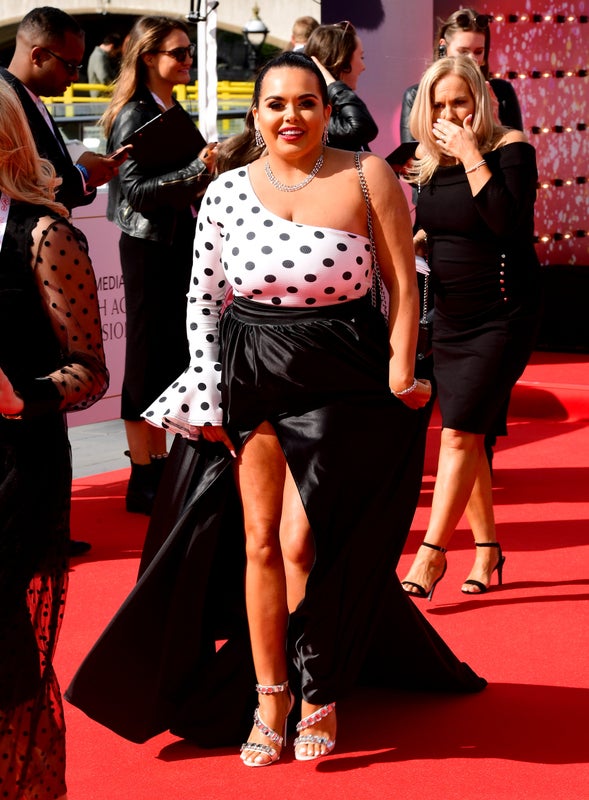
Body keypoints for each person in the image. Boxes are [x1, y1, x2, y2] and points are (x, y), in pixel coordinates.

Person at [66, 52, 485, 767]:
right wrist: (206, 380)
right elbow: (201, 297)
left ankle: (317, 686)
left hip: (339, 372)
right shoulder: (226, 190)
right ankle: (271, 697)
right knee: (257, 542)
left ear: (326, 110)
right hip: (251, 366)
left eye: (306, 103)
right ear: (254, 115)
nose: (290, 116)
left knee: (301, 542)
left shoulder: (365, 175)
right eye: (274, 104)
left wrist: (397, 367)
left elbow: (400, 284)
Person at [0, 80, 108, 800]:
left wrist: (24, 395)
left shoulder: (43, 233)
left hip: (12, 474)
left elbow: (91, 371)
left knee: (5, 667)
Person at [399, 56, 542, 600]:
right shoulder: (428, 160)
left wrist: (470, 153)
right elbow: (431, 224)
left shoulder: (511, 149)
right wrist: (416, 241)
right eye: (438, 104)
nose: (449, 113)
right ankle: (488, 551)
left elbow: (508, 222)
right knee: (468, 429)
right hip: (452, 314)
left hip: (504, 310)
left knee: (458, 433)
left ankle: (430, 554)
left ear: (480, 98)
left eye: (459, 101)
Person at [101, 15, 217, 514]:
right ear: (149, 57)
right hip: (149, 246)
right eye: (179, 53)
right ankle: (142, 473)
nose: (187, 59)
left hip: (174, 243)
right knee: (147, 355)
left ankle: (161, 465)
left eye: (189, 51)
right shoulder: (135, 114)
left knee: (172, 353)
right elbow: (136, 193)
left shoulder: (167, 106)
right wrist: (199, 167)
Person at [0, 7, 127, 212]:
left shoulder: (31, 98)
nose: (75, 77)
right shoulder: (5, 104)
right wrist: (83, 175)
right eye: (70, 66)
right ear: (39, 56)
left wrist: (87, 176)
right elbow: (20, 197)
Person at [400, 8, 523, 144]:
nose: (472, 59)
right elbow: (410, 157)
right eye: (438, 105)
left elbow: (517, 153)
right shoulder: (415, 95)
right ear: (443, 48)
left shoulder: (501, 92)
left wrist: (494, 126)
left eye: (478, 51)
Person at [304, 20, 378, 151]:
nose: (363, 67)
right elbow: (363, 128)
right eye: (361, 57)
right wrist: (334, 85)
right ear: (342, 62)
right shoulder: (313, 108)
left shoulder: (334, 105)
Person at [87, 31, 123, 96]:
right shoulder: (98, 56)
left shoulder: (101, 56)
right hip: (101, 99)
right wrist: (118, 90)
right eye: (117, 53)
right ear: (112, 46)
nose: (115, 55)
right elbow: (104, 78)